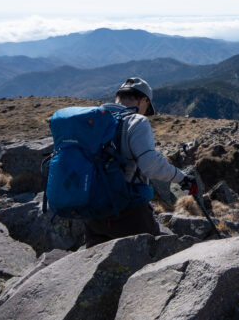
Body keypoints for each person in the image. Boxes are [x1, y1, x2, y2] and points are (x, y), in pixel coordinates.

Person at [83, 76, 195, 247]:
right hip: (128, 211)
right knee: (154, 257)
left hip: (91, 211)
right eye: (147, 107)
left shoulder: (91, 120)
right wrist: (182, 178)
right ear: (144, 100)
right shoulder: (136, 121)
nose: (145, 113)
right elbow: (150, 164)